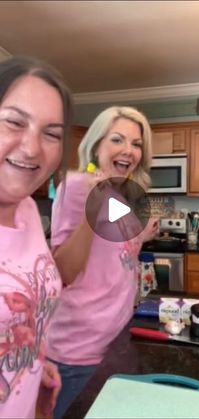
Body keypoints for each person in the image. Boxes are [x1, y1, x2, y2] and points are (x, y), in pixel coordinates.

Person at [46, 106, 159, 418]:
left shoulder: (119, 195)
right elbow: (64, 270)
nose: (129, 150)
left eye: (137, 144)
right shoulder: (77, 186)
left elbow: (119, 251)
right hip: (77, 348)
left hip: (115, 339)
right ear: (96, 145)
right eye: (118, 140)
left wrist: (142, 237)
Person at [0, 55, 73, 418]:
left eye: (51, 134)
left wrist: (30, 366)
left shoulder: (27, 207)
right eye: (14, 121)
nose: (32, 148)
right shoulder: (80, 188)